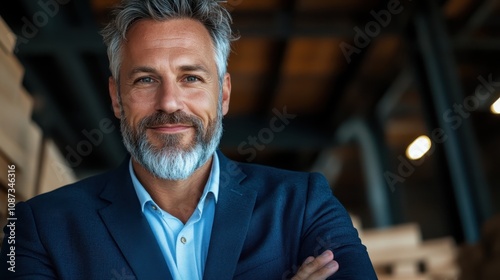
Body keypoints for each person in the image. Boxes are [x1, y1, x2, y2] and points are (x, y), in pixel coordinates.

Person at [0, 0, 376, 279]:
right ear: (116, 97)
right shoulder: (37, 228)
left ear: (223, 94)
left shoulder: (304, 204)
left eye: (191, 78)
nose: (169, 103)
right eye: (146, 79)